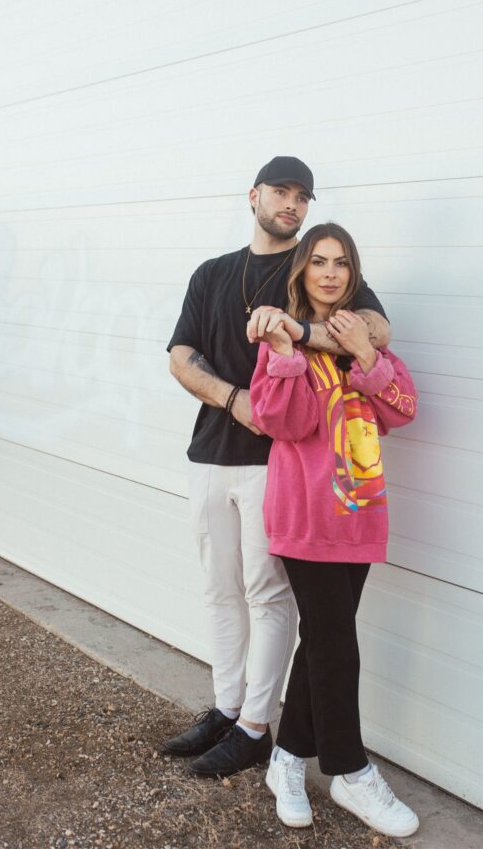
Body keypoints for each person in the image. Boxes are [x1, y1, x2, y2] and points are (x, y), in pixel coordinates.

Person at [163, 158, 391, 777]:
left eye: (302, 196)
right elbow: (181, 356)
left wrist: (296, 327)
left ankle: (256, 728)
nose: (291, 204)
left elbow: (374, 328)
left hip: (279, 464)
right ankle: (226, 706)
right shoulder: (213, 273)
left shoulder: (315, 267)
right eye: (281, 192)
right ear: (254, 195)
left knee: (268, 597)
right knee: (219, 591)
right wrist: (235, 401)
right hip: (210, 452)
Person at [248, 222, 420, 838]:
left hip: (360, 514)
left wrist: (369, 358)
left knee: (322, 640)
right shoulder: (282, 341)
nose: (328, 272)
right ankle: (349, 770)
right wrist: (290, 357)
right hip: (305, 517)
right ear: (302, 272)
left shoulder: (364, 338)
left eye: (340, 263)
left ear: (353, 273)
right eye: (317, 261)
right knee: (336, 642)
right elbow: (278, 422)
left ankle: (287, 760)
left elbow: (403, 410)